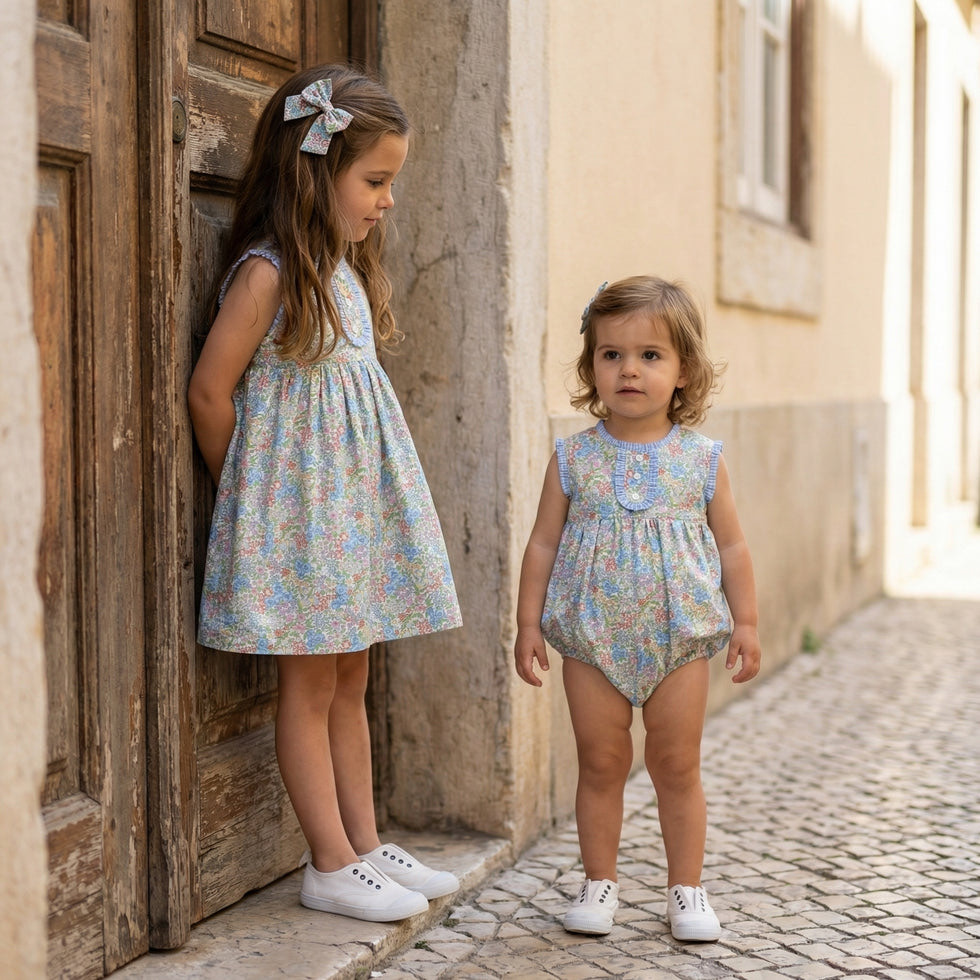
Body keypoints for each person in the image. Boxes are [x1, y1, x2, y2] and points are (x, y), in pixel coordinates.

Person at [188, 65, 463, 923]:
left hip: (350, 522)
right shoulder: (269, 273)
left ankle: (366, 841)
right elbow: (209, 391)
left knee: (353, 674)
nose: (386, 202)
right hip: (301, 528)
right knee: (308, 688)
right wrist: (254, 504)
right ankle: (329, 861)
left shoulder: (341, 269)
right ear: (316, 169)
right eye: (374, 181)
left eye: (392, 183)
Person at [514, 276, 761, 941]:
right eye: (612, 354)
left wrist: (746, 622)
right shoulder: (574, 458)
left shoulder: (702, 460)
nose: (629, 369)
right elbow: (541, 544)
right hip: (592, 640)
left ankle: (687, 891)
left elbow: (732, 547)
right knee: (601, 763)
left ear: (684, 371)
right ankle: (599, 884)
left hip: (679, 639)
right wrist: (528, 623)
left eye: (650, 356)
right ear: (591, 365)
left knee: (676, 765)